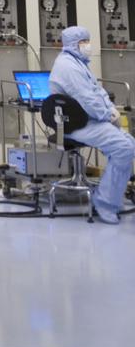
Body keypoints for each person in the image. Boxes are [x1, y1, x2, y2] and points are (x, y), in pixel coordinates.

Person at [48, 25, 135, 224]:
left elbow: (97, 91)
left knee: (129, 144)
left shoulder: (79, 63)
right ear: (73, 44)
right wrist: (106, 115)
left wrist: (110, 109)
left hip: (89, 120)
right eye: (83, 42)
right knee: (123, 147)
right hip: (76, 125)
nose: (88, 45)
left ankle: (113, 196)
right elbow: (86, 98)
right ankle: (104, 203)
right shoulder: (68, 67)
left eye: (87, 41)